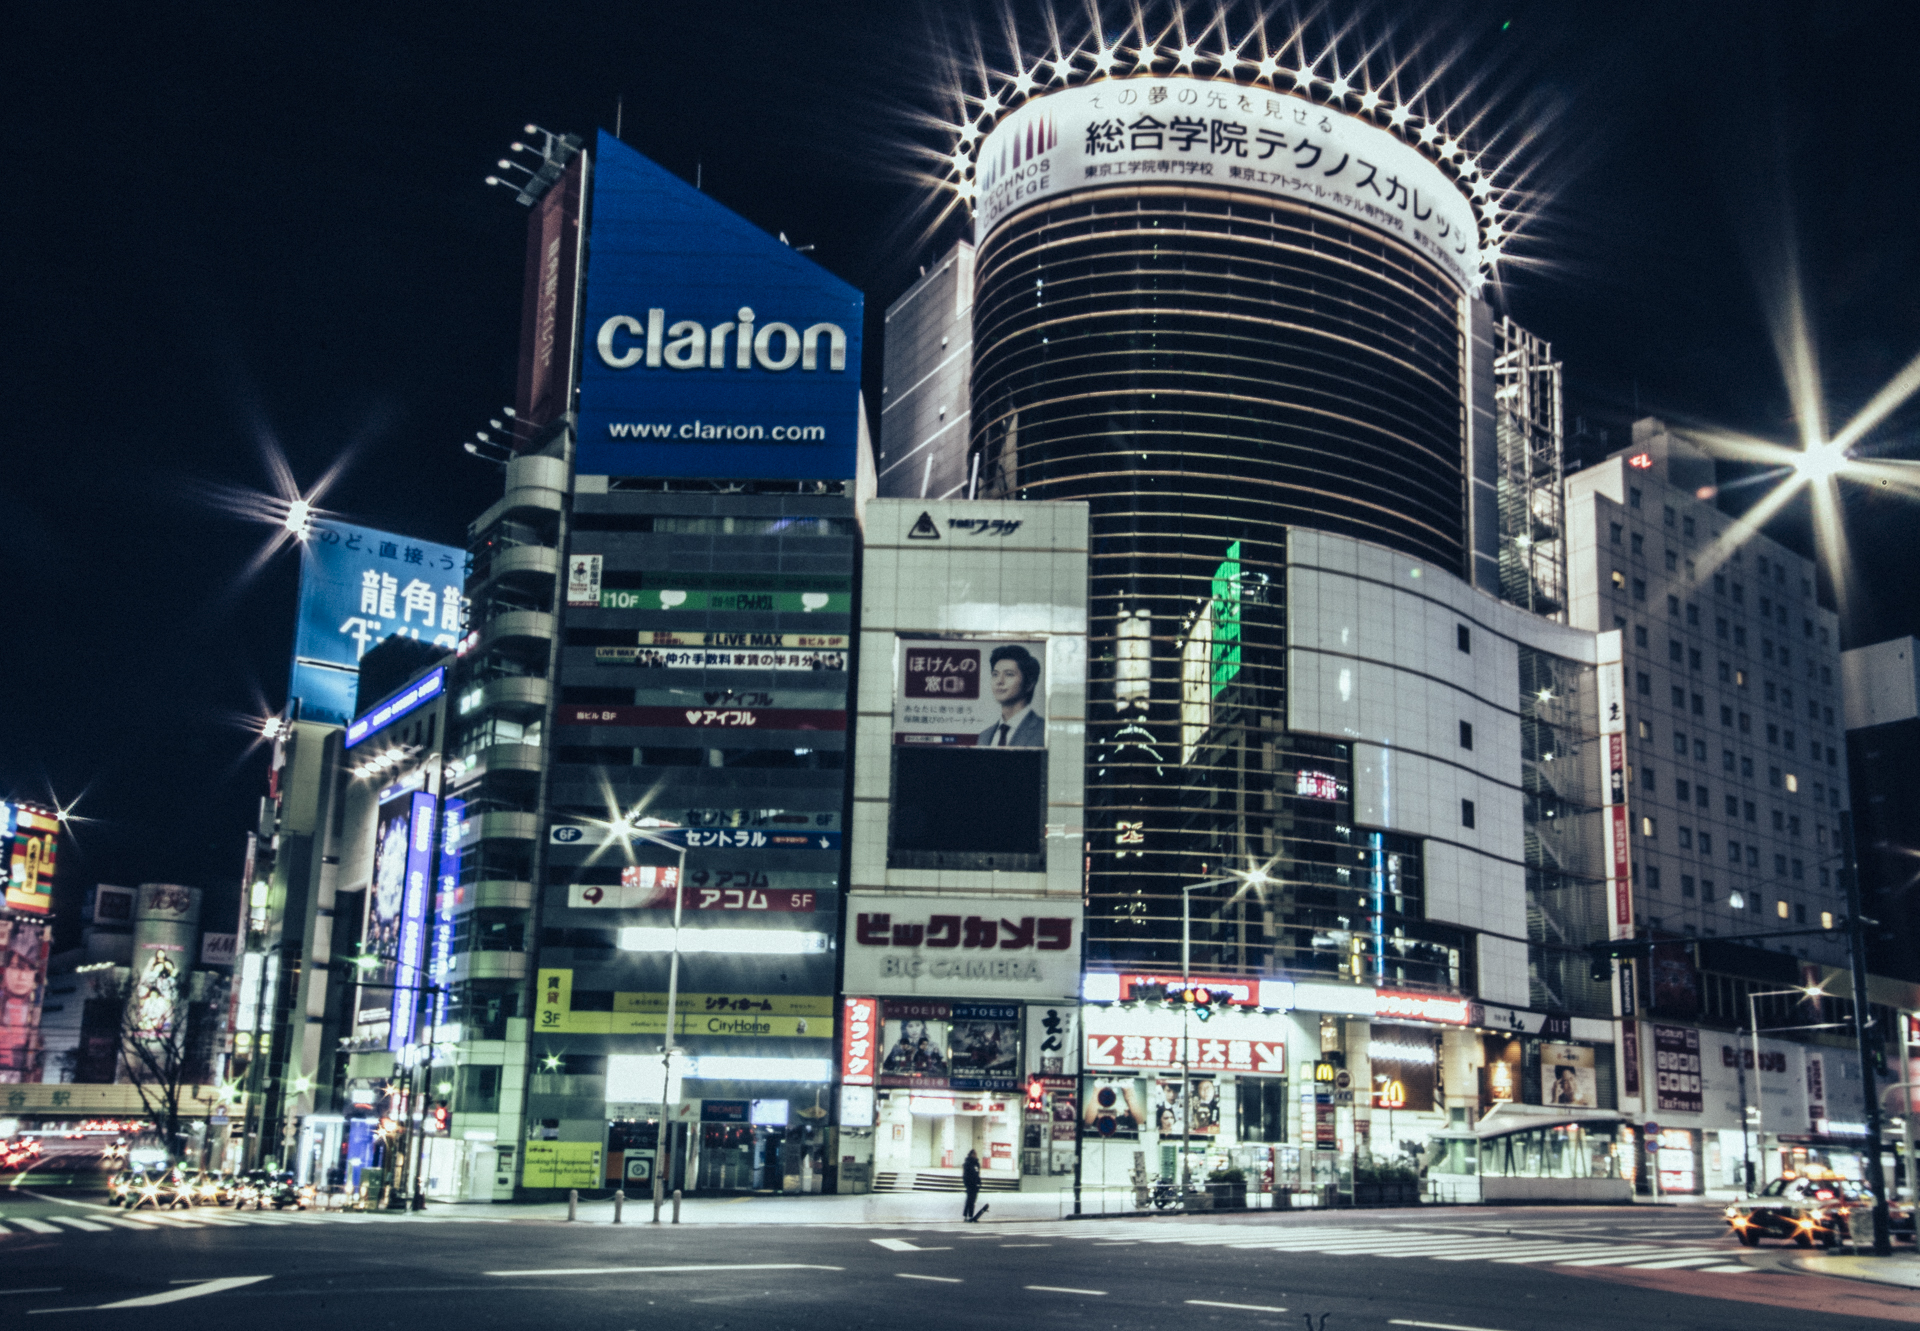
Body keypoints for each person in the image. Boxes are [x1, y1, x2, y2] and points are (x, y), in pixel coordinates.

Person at [978, 644, 1044, 747]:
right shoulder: (984, 736)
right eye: (995, 674)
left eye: (1009, 674)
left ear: (1029, 684)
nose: (999, 681)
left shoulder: (1043, 731)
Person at [962, 1148, 982, 1221]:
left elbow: (977, 1174)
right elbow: (965, 1175)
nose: (975, 1155)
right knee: (969, 1200)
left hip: (975, 1185)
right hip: (970, 1184)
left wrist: (979, 1182)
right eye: (974, 1154)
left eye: (976, 1154)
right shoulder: (967, 1163)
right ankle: (966, 1215)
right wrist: (967, 1184)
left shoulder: (977, 1164)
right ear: (971, 1154)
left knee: (973, 1201)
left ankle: (971, 1215)